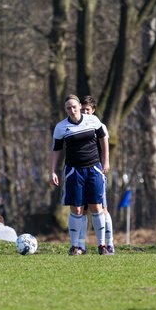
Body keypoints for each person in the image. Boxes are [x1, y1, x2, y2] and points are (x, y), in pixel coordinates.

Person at [50, 94, 110, 255]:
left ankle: (102, 245)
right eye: (68, 108)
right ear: (65, 109)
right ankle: (75, 246)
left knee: (97, 206)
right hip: (73, 171)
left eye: (74, 107)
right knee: (76, 209)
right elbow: (56, 149)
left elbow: (104, 139)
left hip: (93, 168)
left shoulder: (93, 120)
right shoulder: (61, 127)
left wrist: (106, 161)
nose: (72, 110)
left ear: (79, 107)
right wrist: (52, 171)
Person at [77, 95, 115, 255]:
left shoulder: (99, 126)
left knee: (102, 209)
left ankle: (109, 243)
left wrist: (105, 163)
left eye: (88, 109)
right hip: (80, 173)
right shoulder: (76, 126)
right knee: (81, 210)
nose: (85, 112)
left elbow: (104, 146)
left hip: (96, 172)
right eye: (82, 109)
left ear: (93, 110)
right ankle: (81, 245)